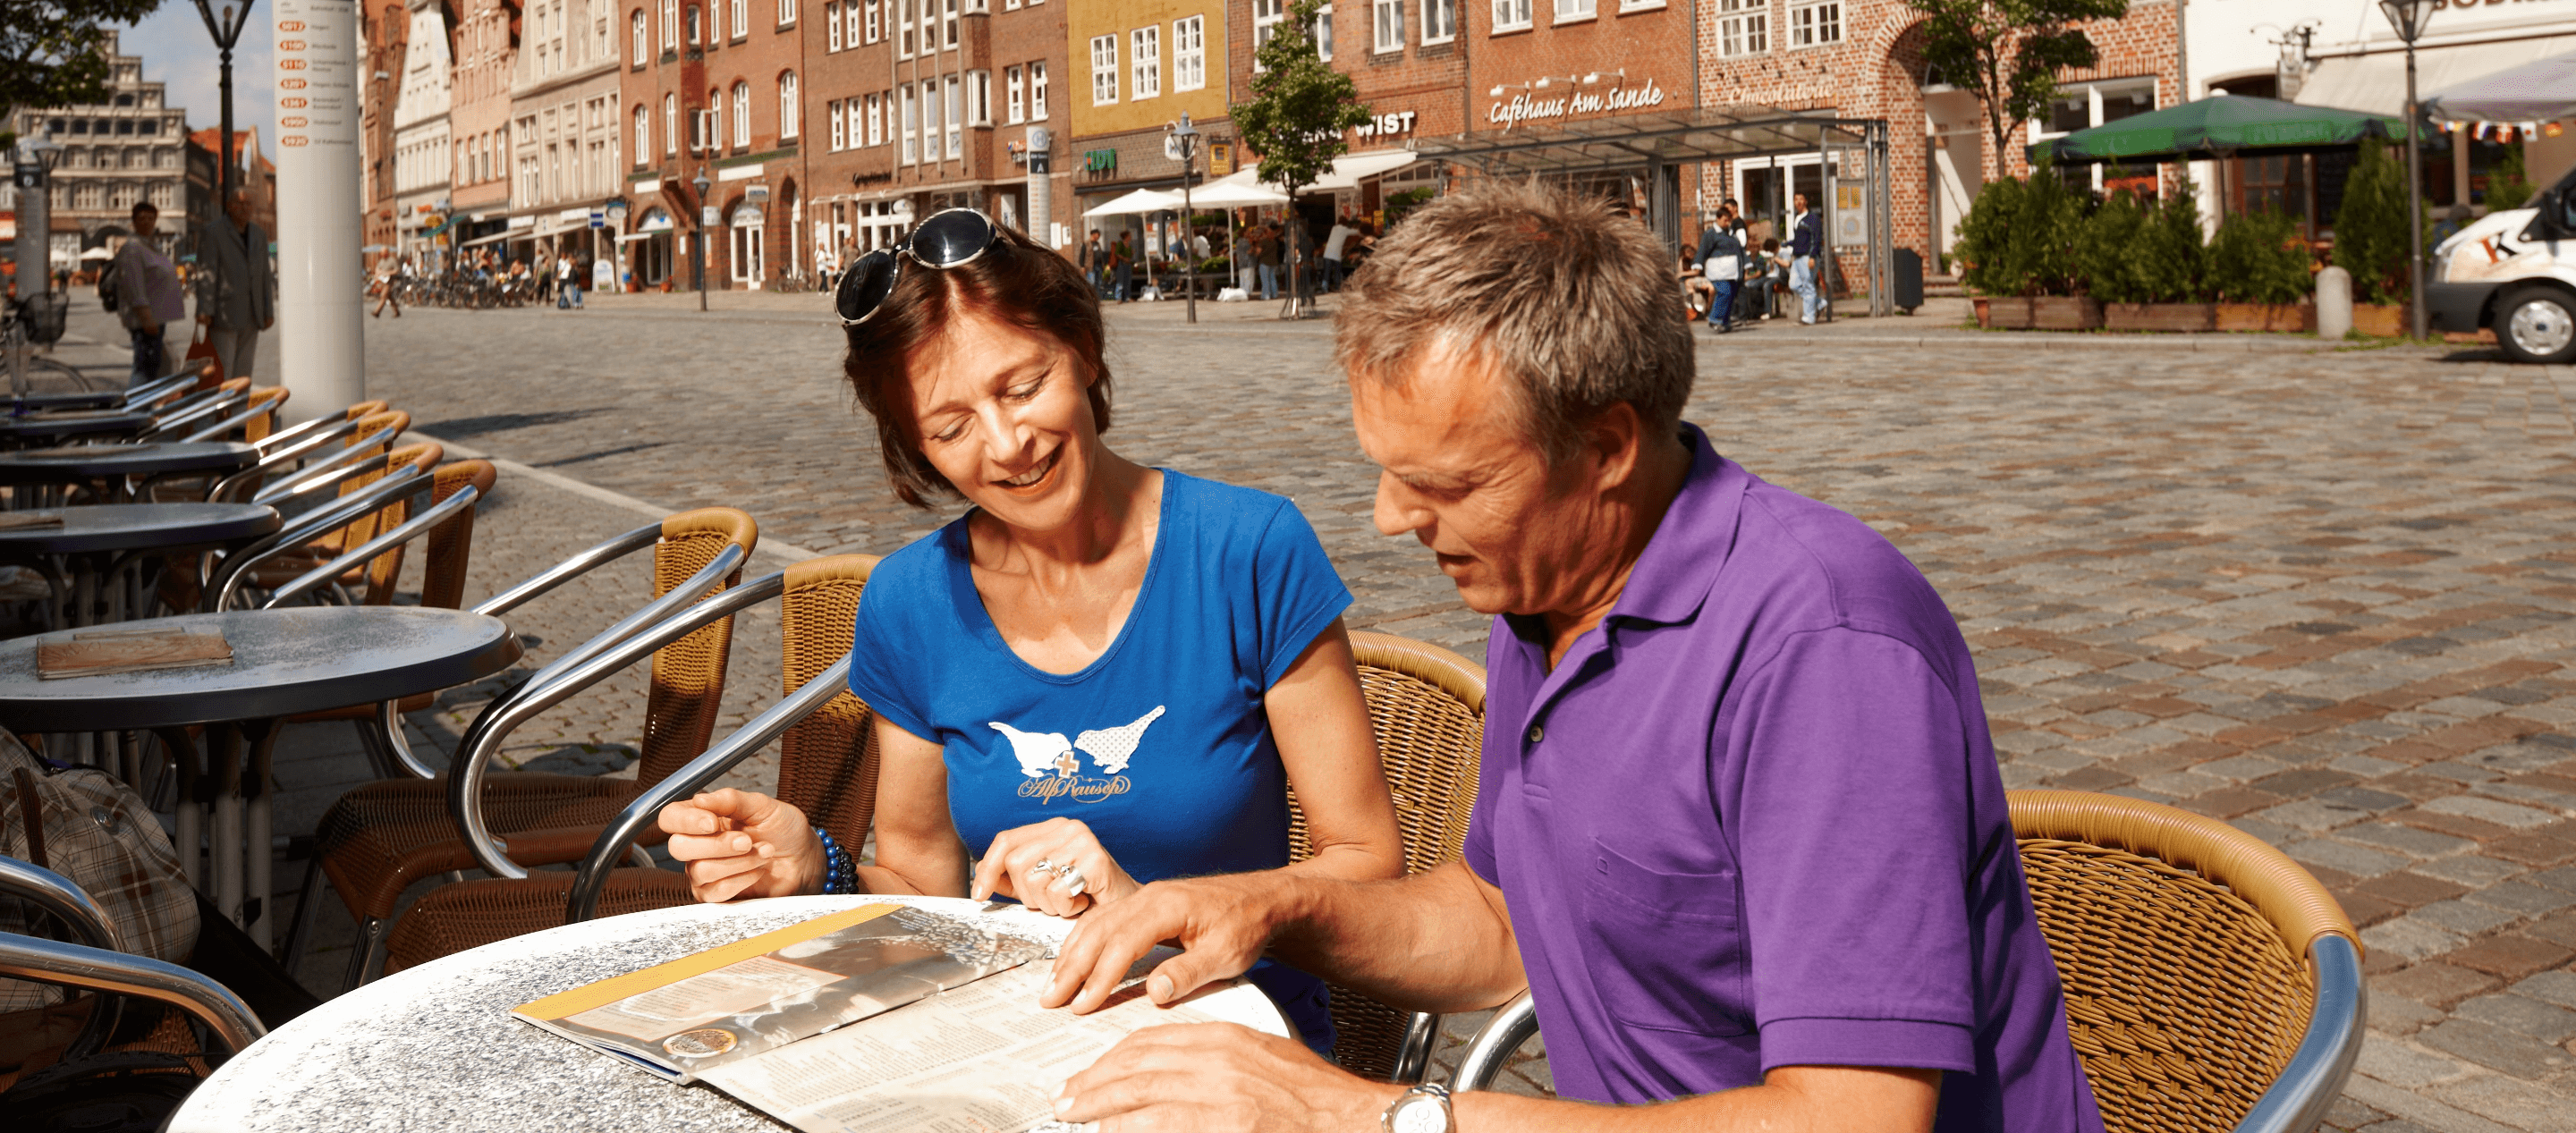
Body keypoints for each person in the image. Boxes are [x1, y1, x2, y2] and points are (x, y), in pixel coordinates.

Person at [1045, 180, 2100, 1133]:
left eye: (1446, 484)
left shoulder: (1822, 650)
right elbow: (1504, 922)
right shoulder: (1549, 593)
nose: (1388, 517)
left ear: (1605, 449)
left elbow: (1850, 1116)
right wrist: (1268, 906)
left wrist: (1377, 1117)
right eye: (1389, 471)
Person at [661, 210, 1405, 1054]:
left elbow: (1367, 860)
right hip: (1017, 1046)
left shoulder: (1247, 550)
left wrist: (1161, 909)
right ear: (915, 448)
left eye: (1022, 387)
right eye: (951, 429)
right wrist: (812, 870)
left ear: (1083, 348)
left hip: (1236, 1044)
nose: (1008, 445)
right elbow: (922, 888)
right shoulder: (909, 601)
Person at [196, 186, 274, 385]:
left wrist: (268, 310)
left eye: (248, 203)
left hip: (252, 314)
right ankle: (219, 412)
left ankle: (238, 414)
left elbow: (265, 275)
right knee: (223, 371)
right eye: (239, 203)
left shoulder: (259, 235)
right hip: (224, 314)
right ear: (229, 206)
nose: (244, 207)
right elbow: (207, 272)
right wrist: (204, 309)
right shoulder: (213, 232)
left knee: (244, 374)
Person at [113, 201, 183, 386]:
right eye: (141, 218)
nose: (146, 222)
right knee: (144, 369)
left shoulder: (150, 245)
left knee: (152, 366)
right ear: (133, 221)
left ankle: (145, 406)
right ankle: (137, 410)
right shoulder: (133, 248)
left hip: (155, 318)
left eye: (150, 218)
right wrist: (146, 318)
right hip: (146, 320)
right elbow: (135, 286)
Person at [1695, 199, 1746, 334]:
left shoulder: (1730, 234)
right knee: (1724, 292)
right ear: (1718, 219)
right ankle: (1714, 318)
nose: (1727, 223)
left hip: (1731, 271)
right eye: (1725, 220)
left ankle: (1725, 321)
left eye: (1729, 220)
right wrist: (1698, 264)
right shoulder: (1710, 234)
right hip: (1717, 271)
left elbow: (1739, 249)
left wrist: (1746, 263)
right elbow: (1702, 249)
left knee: (1731, 295)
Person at [1790, 190, 1824, 326]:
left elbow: (1816, 238)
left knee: (1808, 286)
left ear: (1806, 201)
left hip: (1807, 257)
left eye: (1801, 199)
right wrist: (1787, 243)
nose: (1798, 202)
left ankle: (1809, 317)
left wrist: (1812, 256)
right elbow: (1800, 239)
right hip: (1797, 256)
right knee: (1793, 284)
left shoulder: (1812, 218)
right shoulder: (1796, 218)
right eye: (1796, 199)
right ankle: (1818, 303)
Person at [1319, 216, 1352, 292]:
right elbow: (1356, 232)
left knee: (1327, 271)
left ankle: (1324, 287)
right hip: (1336, 255)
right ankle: (1337, 287)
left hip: (1327, 254)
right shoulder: (1345, 230)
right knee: (1337, 271)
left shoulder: (1334, 228)